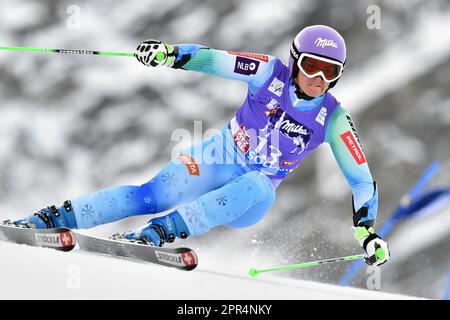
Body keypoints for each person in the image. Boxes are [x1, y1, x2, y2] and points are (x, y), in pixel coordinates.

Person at [13, 25, 390, 266]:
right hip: (217, 156)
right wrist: (170, 54)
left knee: (259, 183)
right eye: (312, 66)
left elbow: (361, 180)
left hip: (250, 196)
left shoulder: (334, 118)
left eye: (331, 71)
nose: (319, 78)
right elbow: (214, 59)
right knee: (152, 195)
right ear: (295, 62)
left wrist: (367, 232)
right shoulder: (268, 72)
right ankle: (47, 219)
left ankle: (157, 233)